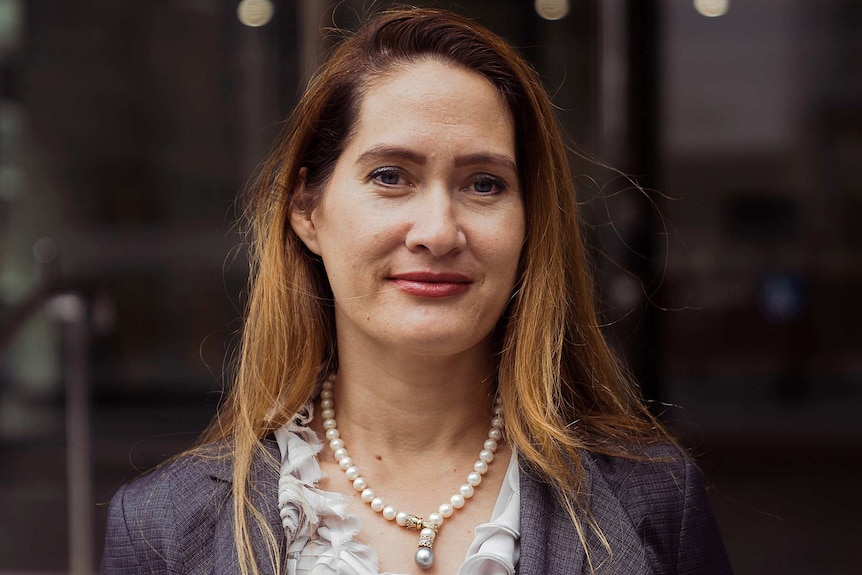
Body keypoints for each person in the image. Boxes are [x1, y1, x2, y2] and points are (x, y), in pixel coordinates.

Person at [100, 7, 732, 575]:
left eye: (484, 184)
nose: (438, 232)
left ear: (530, 221)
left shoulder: (654, 502)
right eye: (390, 175)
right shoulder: (164, 527)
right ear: (307, 209)